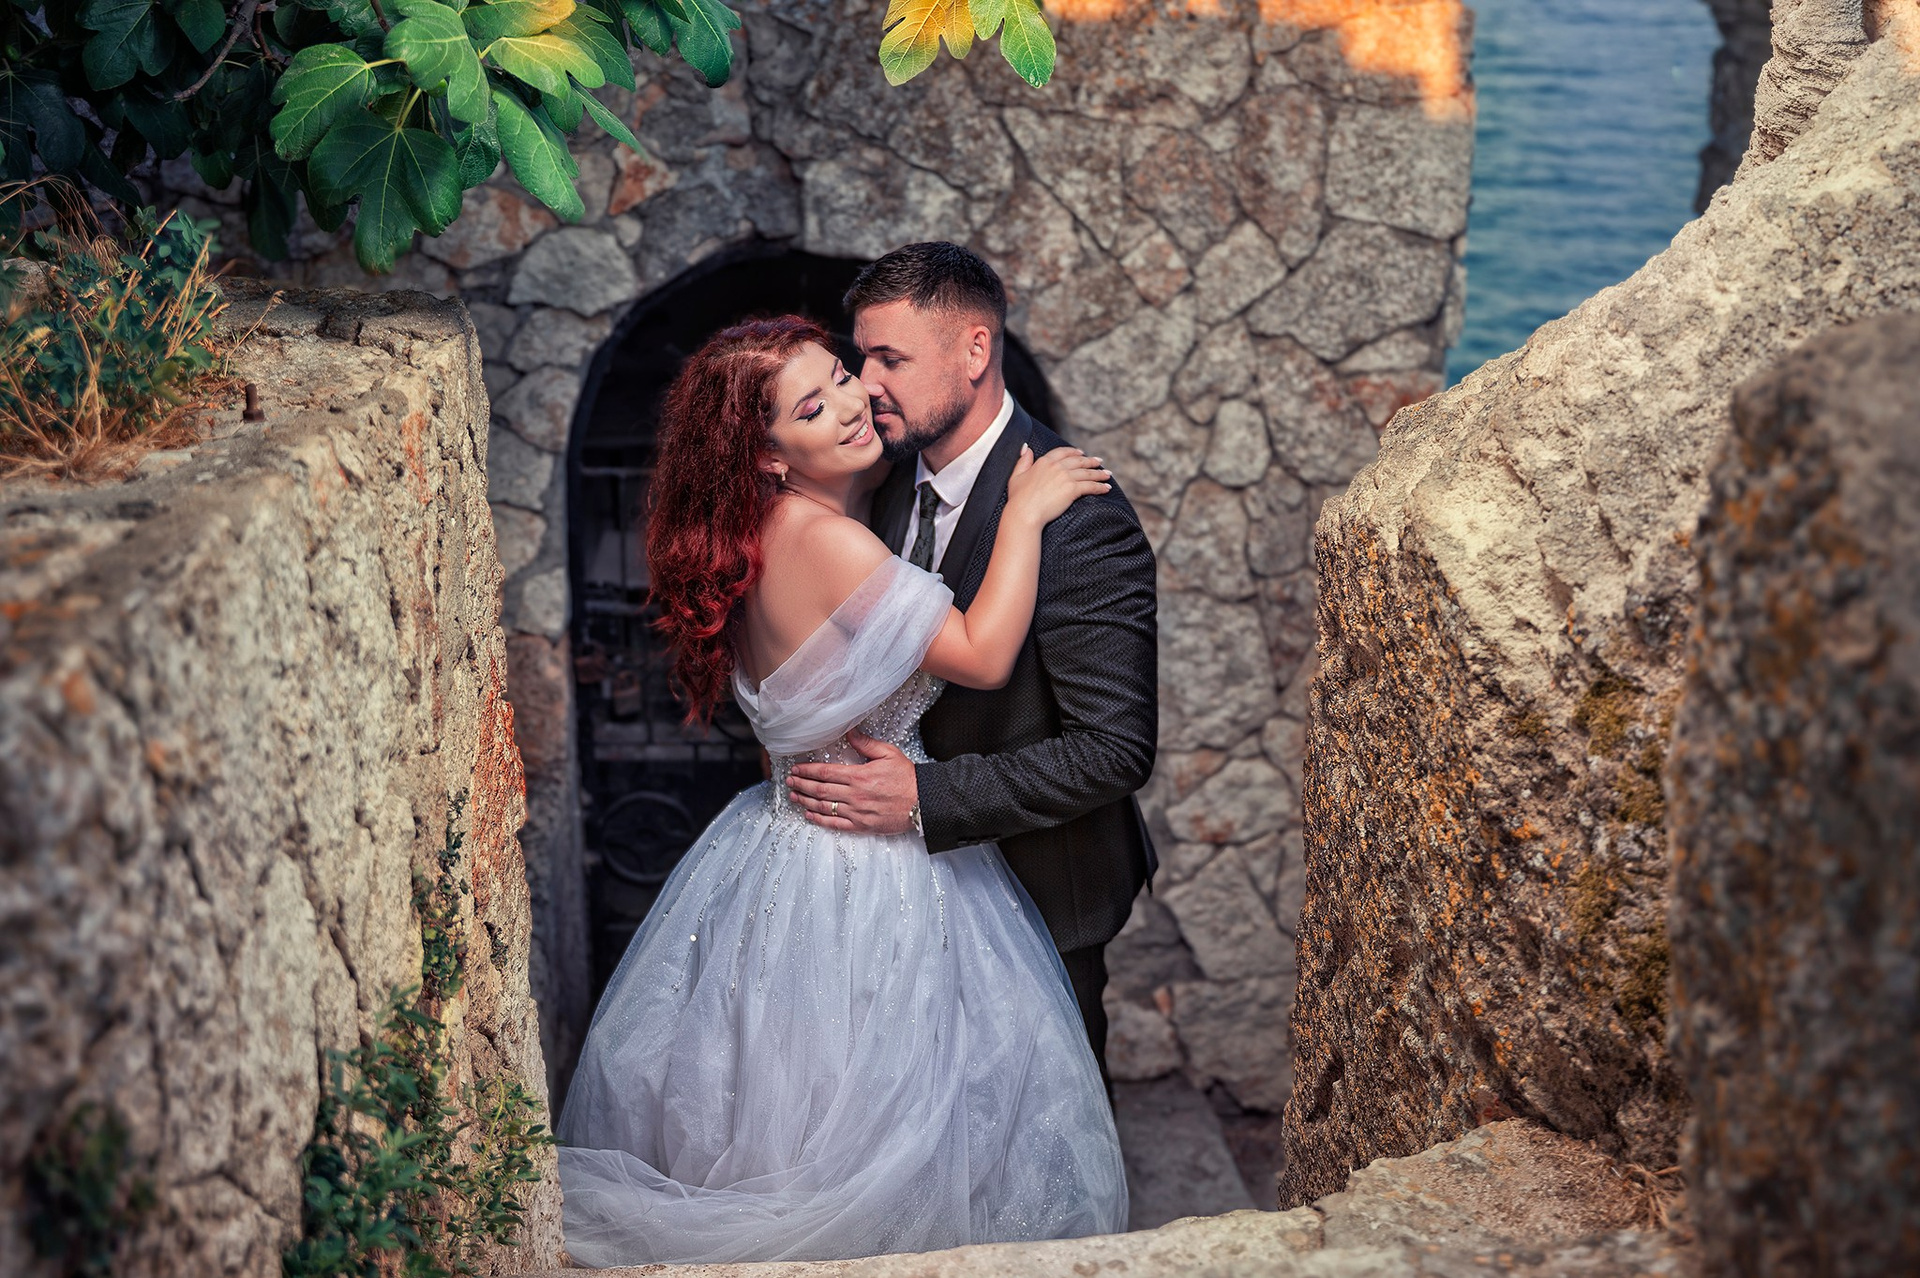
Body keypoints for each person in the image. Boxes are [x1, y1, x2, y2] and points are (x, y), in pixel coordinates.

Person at [555, 315, 1128, 1266]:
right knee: (886, 1116)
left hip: (782, 841)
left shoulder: (757, 537)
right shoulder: (826, 541)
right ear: (769, 457)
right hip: (867, 857)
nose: (853, 403)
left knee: (794, 1096)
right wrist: (1026, 515)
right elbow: (984, 656)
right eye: (812, 409)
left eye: (841, 378)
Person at [785, 243, 1159, 1087]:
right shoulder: (875, 487)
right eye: (860, 359)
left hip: (1038, 896)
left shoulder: (1079, 520)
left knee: (1041, 1130)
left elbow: (1114, 751)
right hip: (894, 897)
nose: (866, 385)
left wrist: (927, 797)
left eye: (890, 359)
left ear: (975, 351)